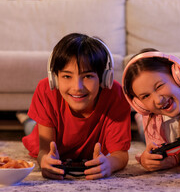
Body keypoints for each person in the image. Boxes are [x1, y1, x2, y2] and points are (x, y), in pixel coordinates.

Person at [22, 33, 131, 180]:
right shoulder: (46, 89)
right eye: (67, 76)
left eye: (88, 76)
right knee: (31, 129)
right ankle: (27, 121)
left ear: (103, 78)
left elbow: (121, 154)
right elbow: (44, 150)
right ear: (54, 78)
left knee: (32, 125)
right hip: (47, 134)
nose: (77, 87)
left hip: (86, 150)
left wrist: (109, 165)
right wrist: (44, 161)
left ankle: (27, 120)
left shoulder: (115, 94)